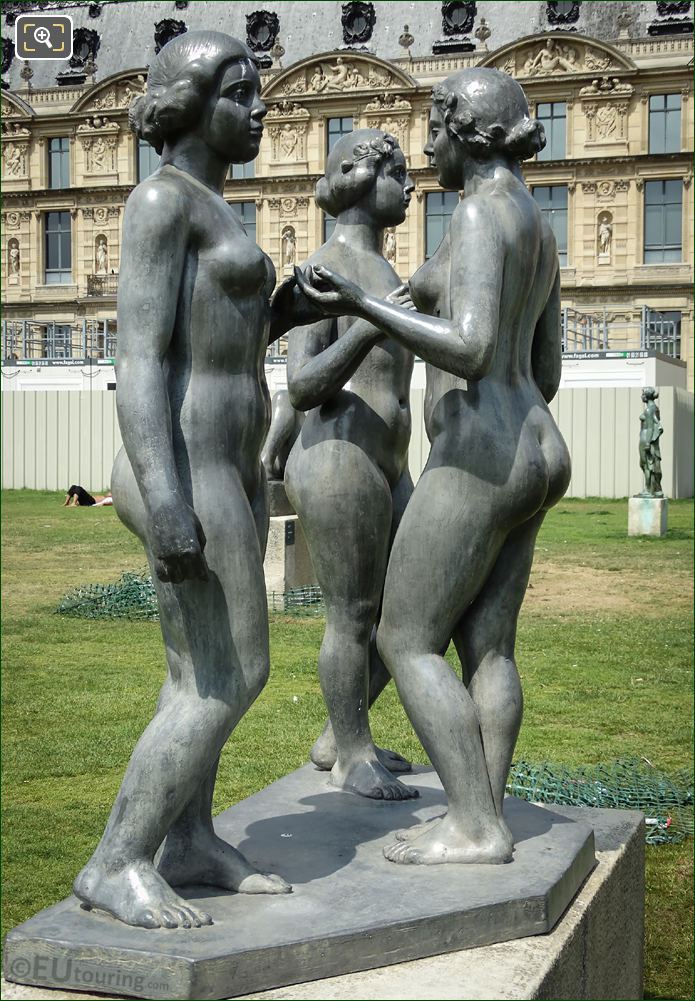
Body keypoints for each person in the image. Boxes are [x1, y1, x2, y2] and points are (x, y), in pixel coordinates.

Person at [296, 68, 570, 863]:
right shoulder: (533, 219)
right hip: (536, 443)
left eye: (435, 131)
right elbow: (543, 364)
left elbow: (475, 345)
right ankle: (484, 808)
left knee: (404, 639)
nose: (426, 149)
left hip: (480, 454)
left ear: (464, 131)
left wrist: (363, 306)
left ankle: (473, 824)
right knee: (489, 649)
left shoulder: (481, 214)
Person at [72, 30, 308, 931]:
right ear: (192, 103)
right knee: (228, 672)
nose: (261, 108)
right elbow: (138, 361)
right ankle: (117, 859)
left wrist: (288, 310)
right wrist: (166, 499)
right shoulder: (160, 202)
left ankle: (191, 838)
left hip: (227, 465)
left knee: (199, 667)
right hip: (181, 467)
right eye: (242, 93)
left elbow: (223, 344)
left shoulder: (213, 207)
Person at [284, 130, 417, 801]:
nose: (412, 186)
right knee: (353, 615)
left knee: (417, 614)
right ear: (364, 179)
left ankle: (342, 731)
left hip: (388, 461)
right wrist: (367, 322)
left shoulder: (389, 273)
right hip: (339, 456)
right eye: (400, 174)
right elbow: (302, 385)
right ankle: (351, 750)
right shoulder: (321, 269)